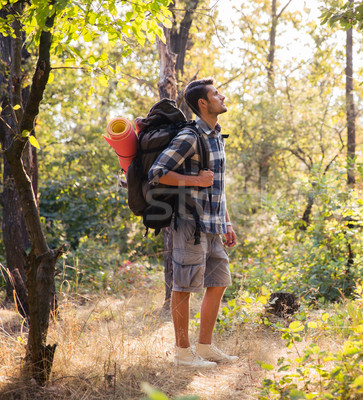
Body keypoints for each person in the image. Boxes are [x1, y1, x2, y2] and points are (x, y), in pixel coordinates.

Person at [148, 78, 237, 368]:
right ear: (203, 103)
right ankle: (183, 353)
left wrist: (227, 221)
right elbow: (157, 172)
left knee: (219, 281)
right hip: (189, 224)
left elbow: (218, 187)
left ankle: (206, 346)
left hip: (213, 224)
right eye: (216, 94)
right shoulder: (190, 136)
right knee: (184, 285)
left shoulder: (217, 136)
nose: (222, 97)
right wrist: (195, 180)